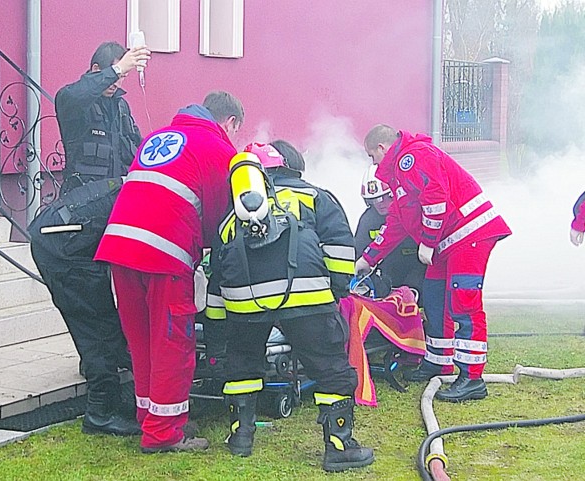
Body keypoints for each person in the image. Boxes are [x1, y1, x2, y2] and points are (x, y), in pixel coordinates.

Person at [205, 141, 374, 472]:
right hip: (307, 296)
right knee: (329, 368)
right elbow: (341, 248)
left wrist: (216, 329)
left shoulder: (233, 213)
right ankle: (338, 447)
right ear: (294, 167)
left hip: (244, 303)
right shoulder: (315, 197)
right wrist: (336, 292)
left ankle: (240, 437)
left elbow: (217, 272)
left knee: (242, 367)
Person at [94, 91, 244, 452]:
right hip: (165, 252)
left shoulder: (157, 137)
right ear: (230, 123)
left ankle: (150, 417)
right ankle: (163, 434)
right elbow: (219, 218)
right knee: (172, 343)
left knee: (142, 339)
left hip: (120, 246)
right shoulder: (219, 148)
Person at [355, 125, 512, 402]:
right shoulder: (400, 173)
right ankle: (439, 361)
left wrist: (427, 241)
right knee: (436, 298)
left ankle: (472, 378)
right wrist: (367, 259)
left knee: (464, 303)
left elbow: (436, 199)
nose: (373, 162)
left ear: (382, 148)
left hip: (468, 234)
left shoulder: (412, 157)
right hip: (448, 241)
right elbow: (397, 223)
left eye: (372, 155)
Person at [28, 178, 139, 436]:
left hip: (66, 234)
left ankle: (112, 402)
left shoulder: (137, 185)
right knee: (97, 327)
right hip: (62, 245)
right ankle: (100, 413)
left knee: (105, 325)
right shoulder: (146, 198)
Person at [55, 41, 150, 192]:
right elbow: (75, 95)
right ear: (96, 70)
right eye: (116, 75)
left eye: (122, 76)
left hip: (117, 197)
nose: (117, 83)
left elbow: (138, 146)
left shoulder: (122, 107)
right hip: (82, 201)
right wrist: (116, 70)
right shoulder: (72, 99)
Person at [354, 164, 426, 300]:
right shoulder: (368, 220)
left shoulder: (410, 212)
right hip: (387, 273)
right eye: (374, 199)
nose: (379, 203)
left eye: (384, 197)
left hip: (418, 267)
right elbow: (360, 249)